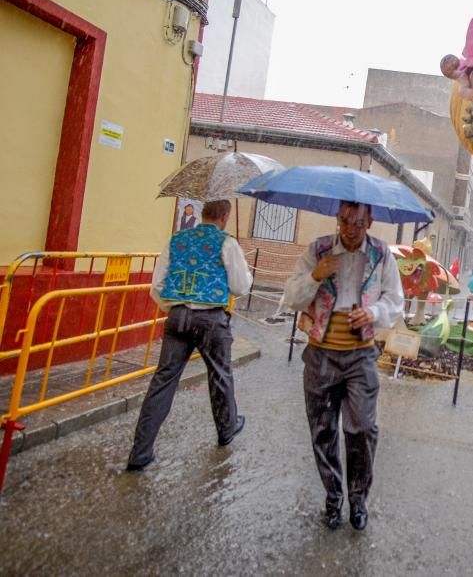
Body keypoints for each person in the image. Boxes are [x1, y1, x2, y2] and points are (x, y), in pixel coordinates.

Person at [283, 201, 404, 532]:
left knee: (362, 429)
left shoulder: (381, 254)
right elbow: (291, 298)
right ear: (337, 218)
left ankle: (358, 498)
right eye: (346, 221)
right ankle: (333, 496)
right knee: (323, 430)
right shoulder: (317, 249)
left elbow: (395, 301)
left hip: (360, 355)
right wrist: (315, 275)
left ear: (370, 221)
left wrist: (373, 313)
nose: (351, 230)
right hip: (320, 353)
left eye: (359, 223)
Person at [126, 199, 252, 471]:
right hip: (211, 320)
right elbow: (240, 286)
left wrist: (175, 308)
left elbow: (157, 285)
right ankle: (226, 429)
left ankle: (140, 452)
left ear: (203, 214)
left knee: (163, 381)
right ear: (225, 216)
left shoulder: (177, 240)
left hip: (178, 317)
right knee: (220, 375)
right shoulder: (227, 243)